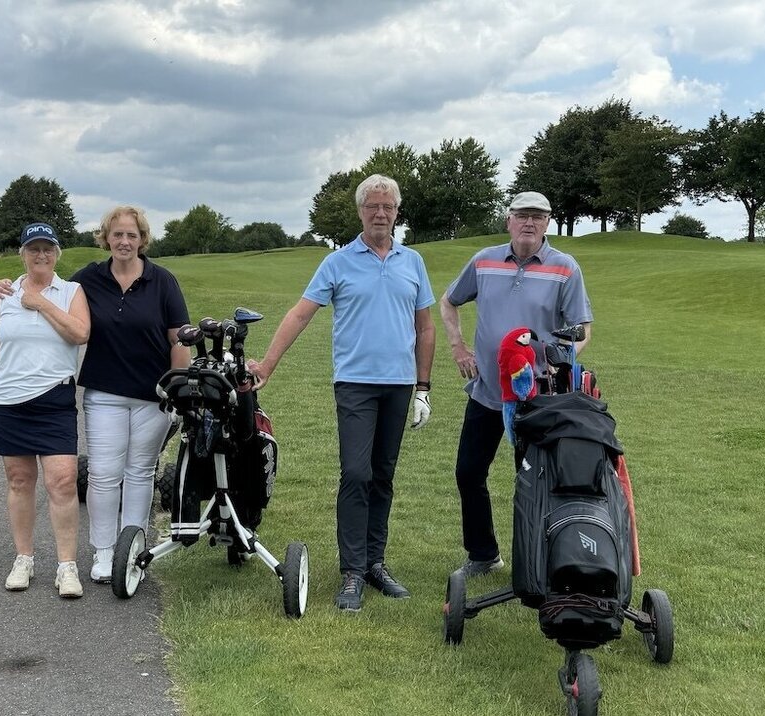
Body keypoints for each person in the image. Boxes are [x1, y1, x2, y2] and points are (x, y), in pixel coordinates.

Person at [246, 174, 435, 613]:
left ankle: (374, 563)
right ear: (360, 212)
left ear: (397, 212)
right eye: (372, 206)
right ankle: (352, 570)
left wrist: (423, 387)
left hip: (399, 383)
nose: (380, 214)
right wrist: (267, 365)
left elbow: (425, 328)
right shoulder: (338, 262)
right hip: (355, 383)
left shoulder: (412, 261)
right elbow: (300, 314)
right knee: (356, 472)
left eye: (388, 206)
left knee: (383, 475)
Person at [0, 206, 190, 584]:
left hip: (153, 395)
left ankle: (133, 552)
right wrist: (7, 287)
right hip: (104, 392)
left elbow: (178, 338)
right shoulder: (88, 280)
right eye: (117, 234)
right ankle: (104, 552)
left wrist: (177, 388)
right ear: (106, 238)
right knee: (102, 474)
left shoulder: (162, 280)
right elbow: (46, 287)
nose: (124, 241)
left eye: (132, 235)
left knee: (140, 473)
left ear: (142, 239)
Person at [440, 191, 593, 578]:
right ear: (508, 220)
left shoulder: (565, 268)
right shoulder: (484, 260)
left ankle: (540, 557)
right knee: (468, 473)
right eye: (522, 215)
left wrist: (558, 357)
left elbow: (582, 330)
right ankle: (483, 554)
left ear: (547, 223)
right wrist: (458, 346)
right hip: (488, 393)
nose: (529, 222)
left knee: (536, 480)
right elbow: (449, 301)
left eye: (537, 217)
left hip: (538, 398)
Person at [0, 222, 91, 598]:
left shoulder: (70, 291)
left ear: (57, 254)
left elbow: (80, 333)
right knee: (19, 481)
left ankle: (67, 566)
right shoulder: (4, 294)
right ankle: (24, 558)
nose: (41, 255)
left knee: (63, 480)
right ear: (22, 254)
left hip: (54, 400)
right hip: (7, 401)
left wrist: (40, 303)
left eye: (47, 249)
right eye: (33, 249)